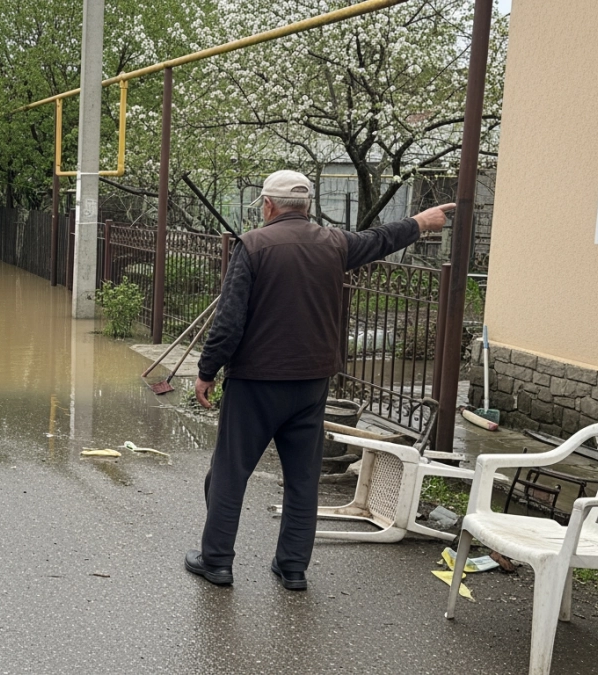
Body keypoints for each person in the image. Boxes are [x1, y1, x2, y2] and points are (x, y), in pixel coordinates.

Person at [184, 170, 452, 590]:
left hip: (256, 381)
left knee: (230, 473)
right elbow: (381, 238)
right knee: (303, 478)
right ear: (306, 206)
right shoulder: (335, 244)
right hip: (311, 383)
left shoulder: (253, 246)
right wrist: (421, 222)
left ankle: (216, 561)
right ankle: (292, 568)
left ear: (268, 206)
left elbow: (229, 320)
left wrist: (206, 372)